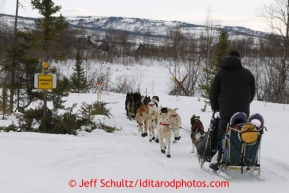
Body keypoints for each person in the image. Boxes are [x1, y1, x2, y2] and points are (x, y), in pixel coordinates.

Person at [209, 50, 255, 171]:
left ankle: (220, 159)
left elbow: (213, 92)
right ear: (239, 59)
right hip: (243, 112)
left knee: (223, 134)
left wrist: (216, 107)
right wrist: (244, 104)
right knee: (241, 135)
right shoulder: (247, 74)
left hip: (226, 111)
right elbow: (252, 93)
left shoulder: (221, 73)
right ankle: (241, 159)